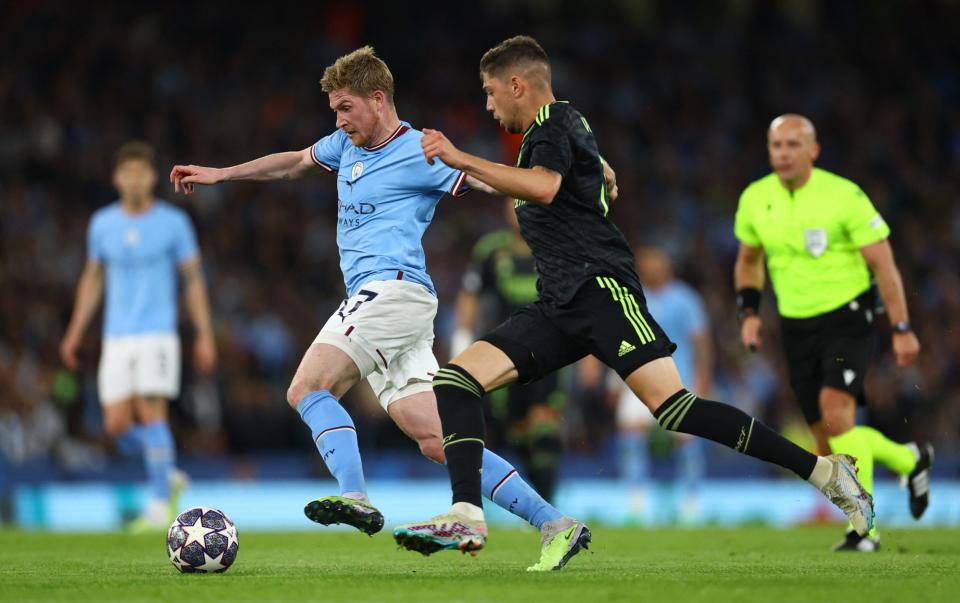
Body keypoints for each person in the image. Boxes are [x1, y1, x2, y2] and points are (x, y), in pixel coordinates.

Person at [393, 36, 874, 564]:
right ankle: (466, 513)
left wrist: (460, 156)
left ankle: (826, 472)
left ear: (517, 85)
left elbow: (546, 187)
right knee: (457, 381)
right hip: (559, 304)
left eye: (489, 92)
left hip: (601, 291)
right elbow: (579, 184)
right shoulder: (561, 131)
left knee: (674, 408)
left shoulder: (552, 123)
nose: (487, 105)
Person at [169, 46, 584, 569]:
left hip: (391, 291)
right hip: (396, 305)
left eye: (345, 108)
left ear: (377, 98)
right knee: (437, 438)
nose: (339, 121)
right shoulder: (347, 147)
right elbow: (295, 162)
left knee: (307, 387)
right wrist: (223, 174)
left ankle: (355, 495)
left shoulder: (420, 149)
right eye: (334, 112)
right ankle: (555, 523)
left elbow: (487, 179)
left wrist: (574, 180)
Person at [733, 114, 933, 551]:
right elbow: (749, 260)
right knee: (825, 441)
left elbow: (884, 264)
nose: (783, 153)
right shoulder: (755, 198)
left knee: (837, 412)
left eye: (792, 145)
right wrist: (749, 313)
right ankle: (909, 459)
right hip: (796, 325)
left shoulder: (844, 196)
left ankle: (864, 531)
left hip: (848, 317)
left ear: (813, 150)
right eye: (776, 145)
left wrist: (902, 328)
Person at [60, 141, 217, 530]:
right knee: (114, 425)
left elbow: (193, 281)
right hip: (117, 336)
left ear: (151, 178)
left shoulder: (173, 223)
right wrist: (74, 332)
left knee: (150, 411)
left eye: (140, 172)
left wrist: (204, 334)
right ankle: (168, 472)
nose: (133, 179)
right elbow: (92, 279)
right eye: (126, 172)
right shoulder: (102, 224)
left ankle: (160, 503)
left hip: (157, 333)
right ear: (116, 178)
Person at [453, 198, 566, 502]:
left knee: (543, 424)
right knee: (516, 431)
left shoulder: (557, 247)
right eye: (513, 205)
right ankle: (537, 499)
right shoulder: (491, 250)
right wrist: (461, 338)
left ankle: (548, 504)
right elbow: (470, 294)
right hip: (504, 352)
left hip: (550, 351)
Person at [613, 247, 711, 524]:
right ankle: (636, 500)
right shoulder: (633, 296)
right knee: (631, 433)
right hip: (638, 378)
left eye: (657, 262)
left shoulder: (685, 298)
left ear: (668, 266)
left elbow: (700, 341)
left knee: (687, 440)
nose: (652, 267)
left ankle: (691, 502)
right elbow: (619, 338)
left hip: (680, 379)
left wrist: (703, 376)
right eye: (647, 262)